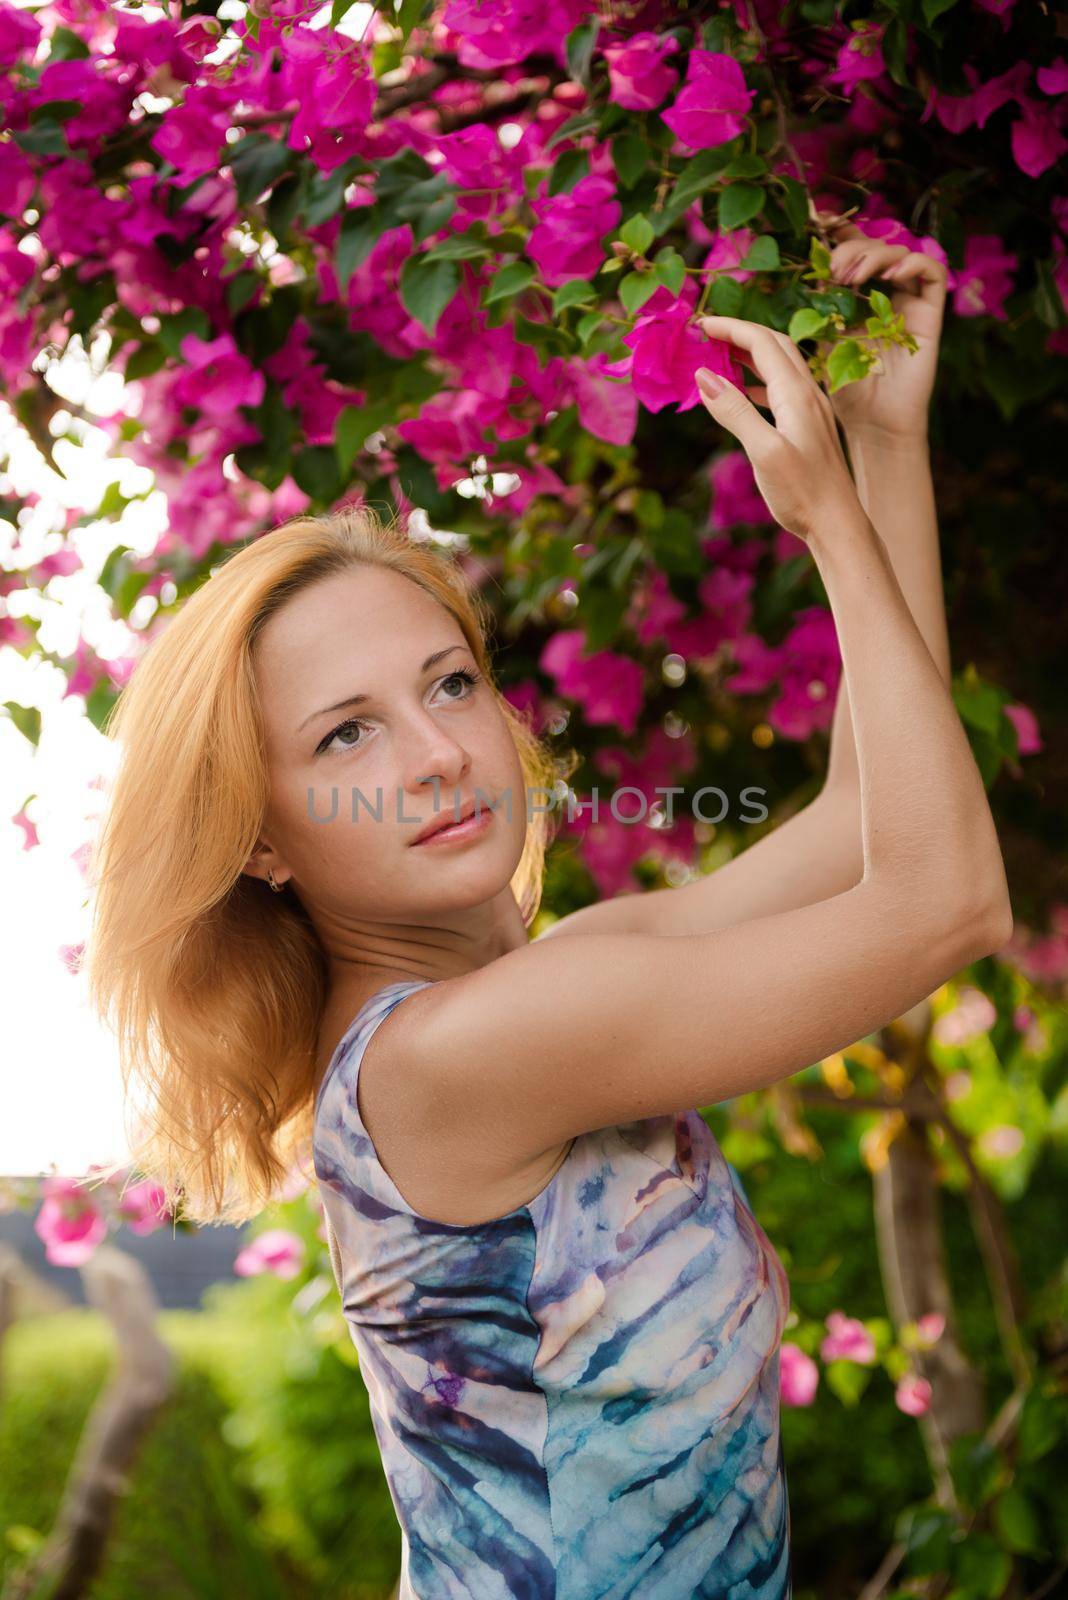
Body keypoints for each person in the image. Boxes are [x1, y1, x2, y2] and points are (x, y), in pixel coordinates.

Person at [84, 226, 1012, 1600]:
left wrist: (879, 449)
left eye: (448, 685)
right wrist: (819, 524)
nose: (440, 752)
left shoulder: (540, 991)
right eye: (346, 736)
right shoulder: (464, 1055)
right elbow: (949, 906)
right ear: (262, 837)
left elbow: (871, 817)